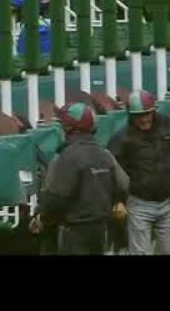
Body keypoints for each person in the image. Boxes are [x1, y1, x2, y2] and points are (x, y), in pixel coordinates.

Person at [30, 102, 128, 255]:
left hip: (73, 232)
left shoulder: (65, 157)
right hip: (101, 230)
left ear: (68, 127)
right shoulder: (105, 155)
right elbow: (124, 186)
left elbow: (55, 199)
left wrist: (42, 220)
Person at [108, 89, 170, 255]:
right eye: (139, 115)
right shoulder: (121, 138)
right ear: (131, 115)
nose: (144, 119)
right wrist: (117, 201)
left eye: (147, 114)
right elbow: (111, 171)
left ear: (153, 111)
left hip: (167, 201)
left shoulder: (167, 126)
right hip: (139, 203)